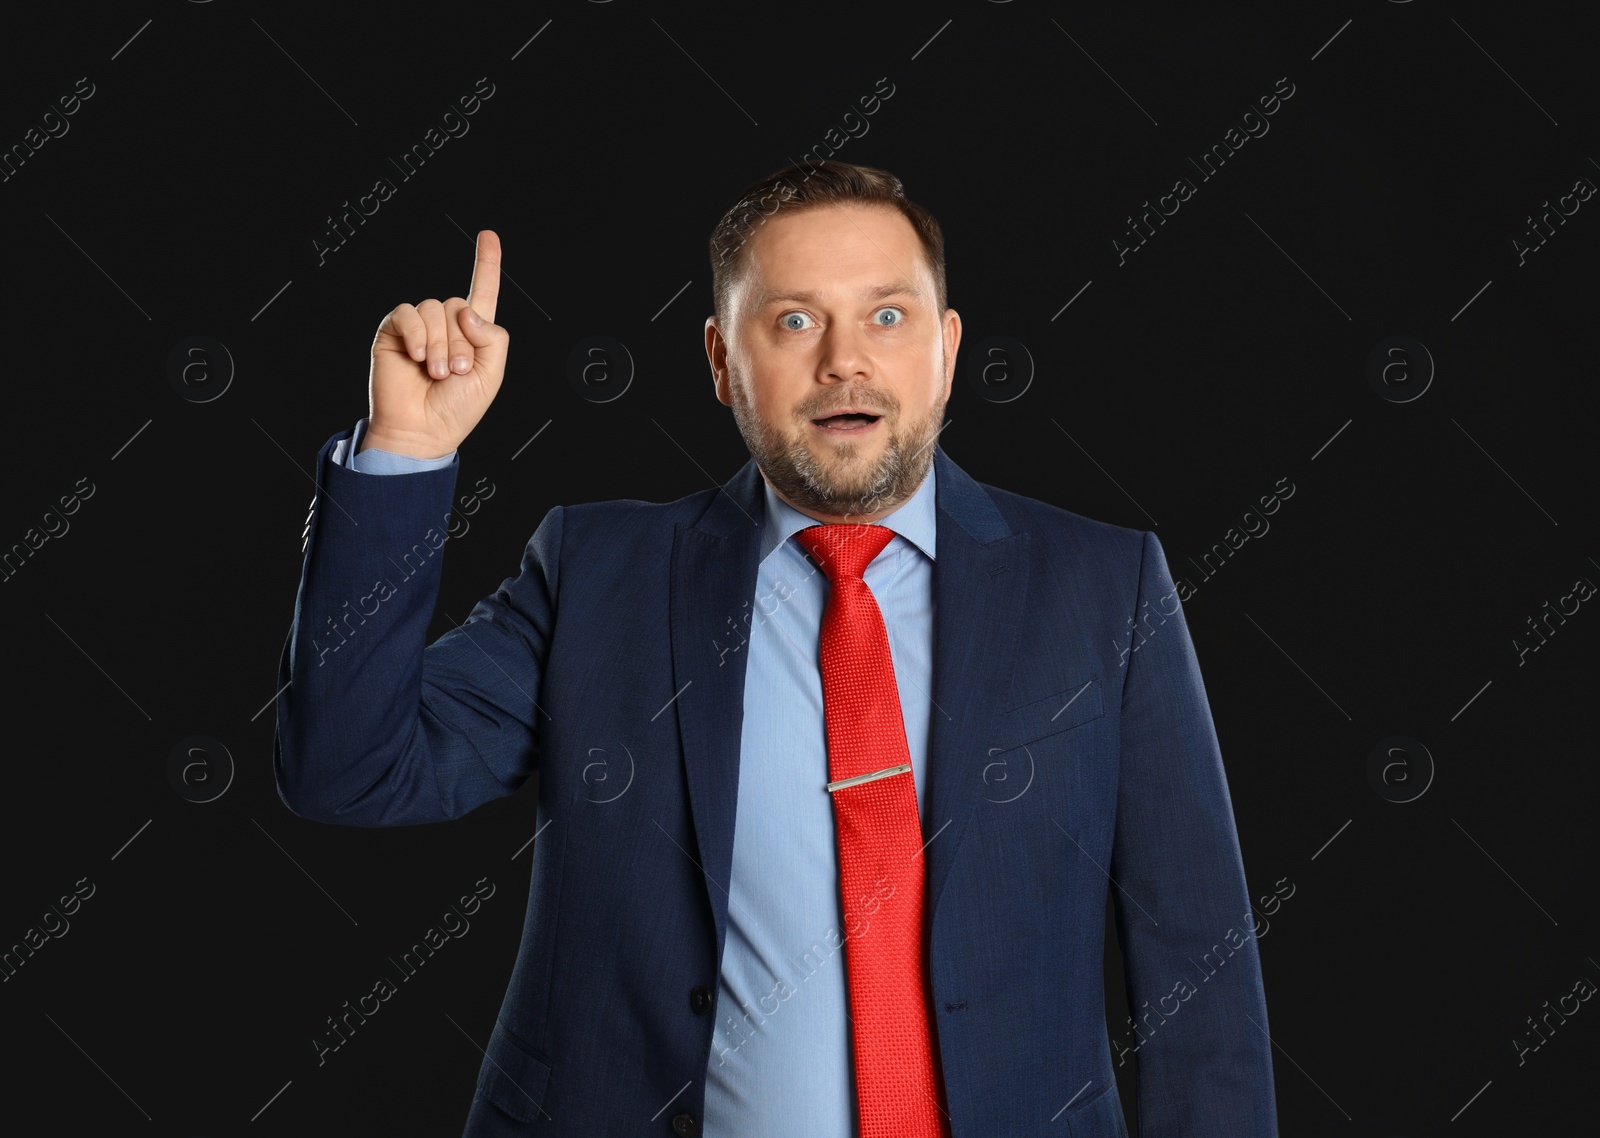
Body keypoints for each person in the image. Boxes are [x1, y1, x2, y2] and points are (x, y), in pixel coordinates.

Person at [275, 160, 1280, 1137]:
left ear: (947, 348)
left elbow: (1195, 951)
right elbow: (350, 772)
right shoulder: (597, 572)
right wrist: (405, 453)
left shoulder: (1102, 586)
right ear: (720, 361)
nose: (844, 359)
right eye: (793, 319)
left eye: (888, 316)